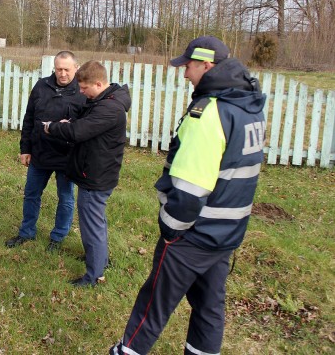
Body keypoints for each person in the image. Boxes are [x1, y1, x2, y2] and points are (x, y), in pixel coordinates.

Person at [109, 36, 266, 354]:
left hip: (192, 236)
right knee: (209, 310)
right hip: (226, 234)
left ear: (207, 66)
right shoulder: (250, 107)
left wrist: (170, 231)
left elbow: (190, 191)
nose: (184, 74)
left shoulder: (208, 113)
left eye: (189, 67)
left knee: (150, 310)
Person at [44, 60, 131, 287]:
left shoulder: (109, 109)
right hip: (96, 172)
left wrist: (51, 127)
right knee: (97, 222)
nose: (81, 92)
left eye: (84, 89)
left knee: (91, 226)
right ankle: (100, 259)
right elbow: (84, 120)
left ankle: (94, 275)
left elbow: (79, 131)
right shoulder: (105, 101)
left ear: (99, 83)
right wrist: (71, 120)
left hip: (96, 176)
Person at [5, 51, 86, 252]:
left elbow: (87, 128)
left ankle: (58, 237)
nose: (63, 74)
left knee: (66, 198)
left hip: (67, 157)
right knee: (31, 194)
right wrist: (25, 149)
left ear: (76, 68)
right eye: (59, 69)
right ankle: (26, 232)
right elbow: (29, 118)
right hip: (40, 153)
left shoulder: (82, 93)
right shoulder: (42, 86)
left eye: (67, 69)